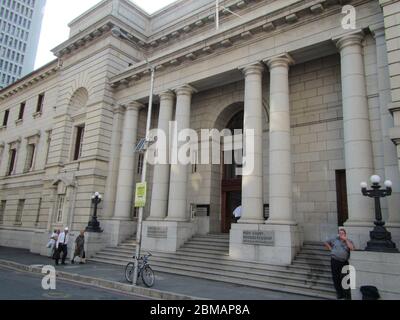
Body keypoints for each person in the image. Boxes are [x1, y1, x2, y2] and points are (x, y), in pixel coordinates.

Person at [325, 228, 355, 300]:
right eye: (340, 233)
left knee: (345, 279)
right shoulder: (335, 239)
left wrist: (346, 240)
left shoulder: (349, 241)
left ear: (345, 234)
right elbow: (326, 242)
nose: (341, 234)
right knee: (336, 278)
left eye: (342, 233)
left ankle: (347, 295)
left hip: (344, 262)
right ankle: (340, 294)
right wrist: (331, 249)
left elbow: (352, 248)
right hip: (335, 261)